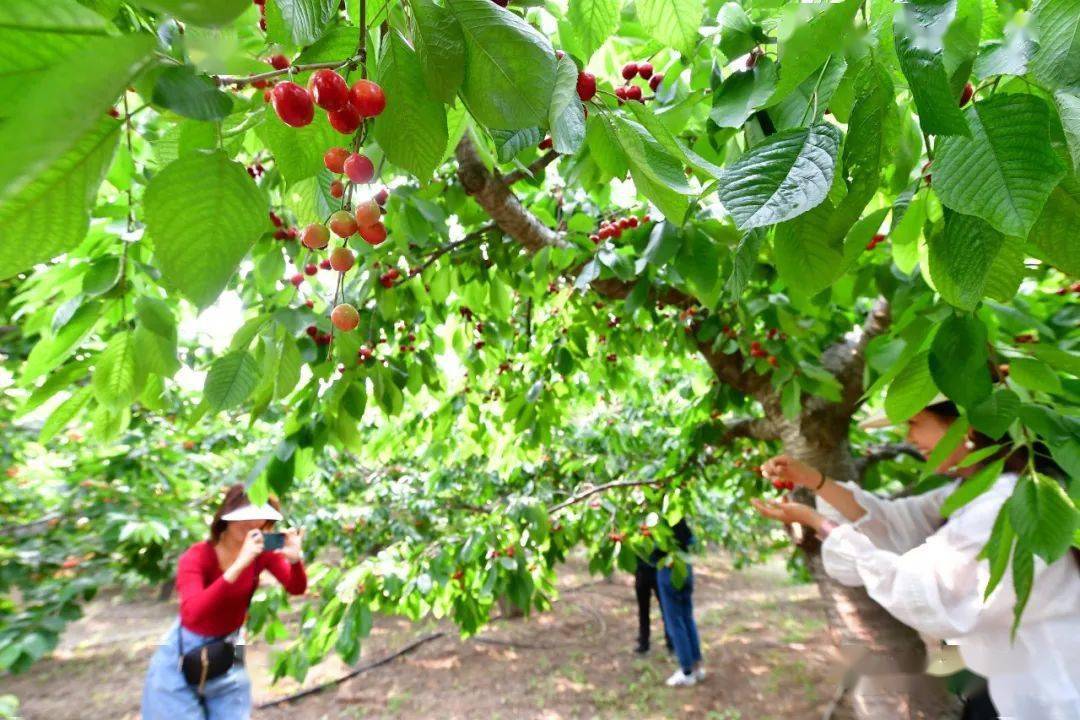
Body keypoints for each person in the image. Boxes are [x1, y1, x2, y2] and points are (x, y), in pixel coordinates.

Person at [751, 398, 1080, 719]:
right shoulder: (972, 491)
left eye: (914, 423)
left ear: (962, 426)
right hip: (1015, 681)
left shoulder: (1001, 503)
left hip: (1052, 691)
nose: (908, 438)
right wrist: (814, 480)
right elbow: (892, 519)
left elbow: (924, 589)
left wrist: (817, 522)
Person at [142, 485, 308, 719]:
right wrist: (240, 564)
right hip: (184, 648)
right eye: (244, 517)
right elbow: (192, 613)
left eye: (259, 517)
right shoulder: (197, 556)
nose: (252, 523)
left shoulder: (261, 553)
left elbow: (296, 587)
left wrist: (295, 561)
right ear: (225, 519)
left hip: (231, 643)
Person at [653, 518, 705, 687]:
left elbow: (653, 550)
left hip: (669, 570)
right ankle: (697, 667)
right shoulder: (677, 514)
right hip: (685, 567)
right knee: (687, 617)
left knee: (675, 622)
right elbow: (691, 539)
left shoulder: (656, 521)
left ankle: (687, 671)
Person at [634, 556, 674, 654]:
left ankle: (671, 643)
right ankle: (644, 643)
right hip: (641, 572)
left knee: (665, 610)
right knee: (643, 611)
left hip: (657, 572)